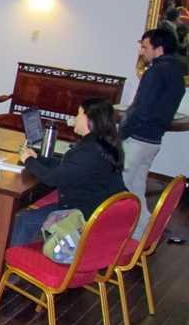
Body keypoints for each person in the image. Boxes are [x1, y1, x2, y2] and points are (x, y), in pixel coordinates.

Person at [11, 98, 127, 247]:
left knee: (25, 220)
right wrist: (38, 159)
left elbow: (52, 179)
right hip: (101, 210)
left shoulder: (89, 151)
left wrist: (28, 160)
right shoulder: (103, 144)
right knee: (29, 217)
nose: (75, 118)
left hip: (85, 215)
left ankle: (13, 259)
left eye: (78, 114)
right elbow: (69, 167)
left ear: (89, 119)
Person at [121, 28, 186, 238]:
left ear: (159, 49)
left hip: (138, 139)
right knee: (137, 188)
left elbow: (142, 108)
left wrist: (121, 134)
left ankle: (110, 235)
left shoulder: (155, 72)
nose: (142, 52)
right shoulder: (177, 71)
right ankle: (144, 233)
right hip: (154, 139)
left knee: (118, 189)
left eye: (145, 47)